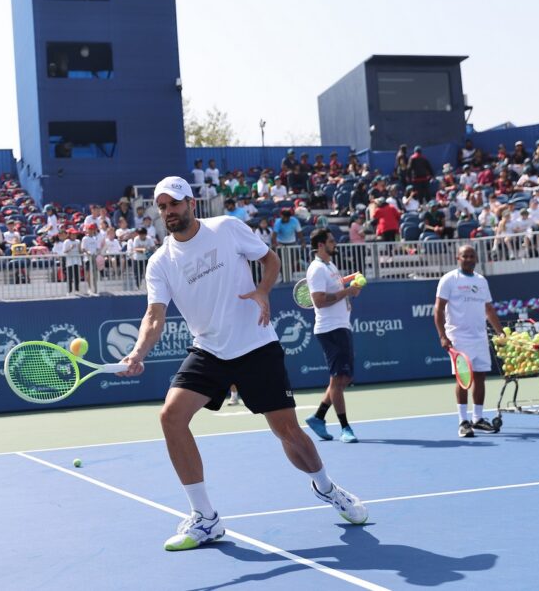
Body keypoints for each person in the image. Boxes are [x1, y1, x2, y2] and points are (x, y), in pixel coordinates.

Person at [116, 176, 367, 551]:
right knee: (171, 416)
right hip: (209, 351)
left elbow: (270, 259)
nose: (169, 211)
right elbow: (154, 316)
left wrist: (263, 290)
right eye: (163, 206)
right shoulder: (160, 262)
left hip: (256, 346)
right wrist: (137, 352)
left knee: (288, 432)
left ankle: (327, 487)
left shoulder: (227, 229)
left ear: (192, 205)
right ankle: (205, 518)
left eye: (175, 204)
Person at [434, 245, 505, 438]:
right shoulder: (449, 279)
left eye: (472, 256)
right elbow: (438, 309)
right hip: (458, 337)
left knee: (480, 377)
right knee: (463, 379)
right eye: (465, 256)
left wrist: (500, 333)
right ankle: (463, 422)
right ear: (458, 257)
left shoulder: (481, 281)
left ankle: (478, 419)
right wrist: (442, 335)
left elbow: (488, 309)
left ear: (476, 259)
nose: (468, 259)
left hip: (480, 337)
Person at [303, 229, 362, 443]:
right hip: (330, 329)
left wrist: (351, 283)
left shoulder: (330, 266)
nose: (334, 243)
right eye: (331, 241)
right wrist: (347, 292)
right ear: (320, 245)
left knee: (344, 378)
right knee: (338, 379)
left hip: (341, 326)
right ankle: (345, 427)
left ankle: (318, 416)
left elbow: (336, 287)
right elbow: (318, 300)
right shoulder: (317, 269)